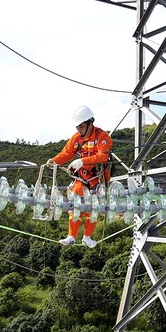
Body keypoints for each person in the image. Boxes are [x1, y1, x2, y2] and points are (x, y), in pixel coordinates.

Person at [47, 106, 112, 247]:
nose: (79, 130)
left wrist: (82, 161)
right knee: (76, 205)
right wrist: (54, 161)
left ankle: (87, 236)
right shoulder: (76, 138)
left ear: (90, 123)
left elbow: (102, 156)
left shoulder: (102, 136)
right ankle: (71, 236)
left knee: (93, 208)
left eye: (81, 126)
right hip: (82, 177)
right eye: (77, 127)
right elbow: (67, 153)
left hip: (97, 177)